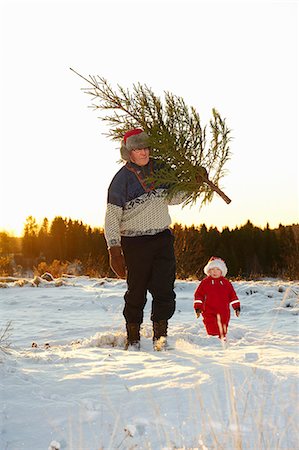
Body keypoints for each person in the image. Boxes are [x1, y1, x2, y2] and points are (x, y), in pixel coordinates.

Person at [104, 128, 192, 350]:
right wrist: (114, 250)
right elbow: (112, 217)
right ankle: (133, 338)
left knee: (164, 290)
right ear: (128, 152)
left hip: (162, 238)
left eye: (146, 148)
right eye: (137, 149)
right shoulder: (121, 180)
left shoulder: (160, 170)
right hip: (134, 243)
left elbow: (175, 197)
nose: (143, 153)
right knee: (136, 291)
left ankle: (160, 338)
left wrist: (193, 184)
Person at [193, 256, 240, 339]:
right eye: (212, 269)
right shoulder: (205, 282)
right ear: (208, 271)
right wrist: (198, 308)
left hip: (224, 311)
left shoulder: (226, 283)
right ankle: (213, 341)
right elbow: (198, 295)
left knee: (222, 329)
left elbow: (232, 295)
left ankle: (221, 342)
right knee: (212, 328)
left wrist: (236, 307)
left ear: (222, 271)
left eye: (217, 269)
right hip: (208, 310)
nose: (214, 272)